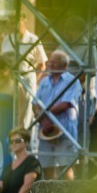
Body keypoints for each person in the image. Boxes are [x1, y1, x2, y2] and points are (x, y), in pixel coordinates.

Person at [34, 51, 82, 180]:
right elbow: (35, 103)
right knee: (47, 168)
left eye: (55, 63)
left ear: (64, 65)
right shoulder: (44, 81)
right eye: (50, 62)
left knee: (66, 168)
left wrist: (44, 115)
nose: (50, 65)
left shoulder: (72, 81)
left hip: (64, 132)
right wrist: (42, 120)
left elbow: (65, 104)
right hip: (45, 131)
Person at [0, 15, 46, 125]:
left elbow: (42, 64)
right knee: (10, 106)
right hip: (10, 78)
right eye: (11, 23)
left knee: (27, 109)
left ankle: (25, 132)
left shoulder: (33, 39)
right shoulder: (7, 40)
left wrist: (34, 79)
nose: (14, 26)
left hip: (27, 76)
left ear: (23, 23)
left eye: (16, 23)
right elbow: (1, 60)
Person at [0, 128, 42, 193]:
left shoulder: (32, 162)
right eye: (11, 141)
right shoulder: (9, 167)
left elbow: (28, 186)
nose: (14, 143)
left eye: (18, 141)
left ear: (26, 142)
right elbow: (3, 190)